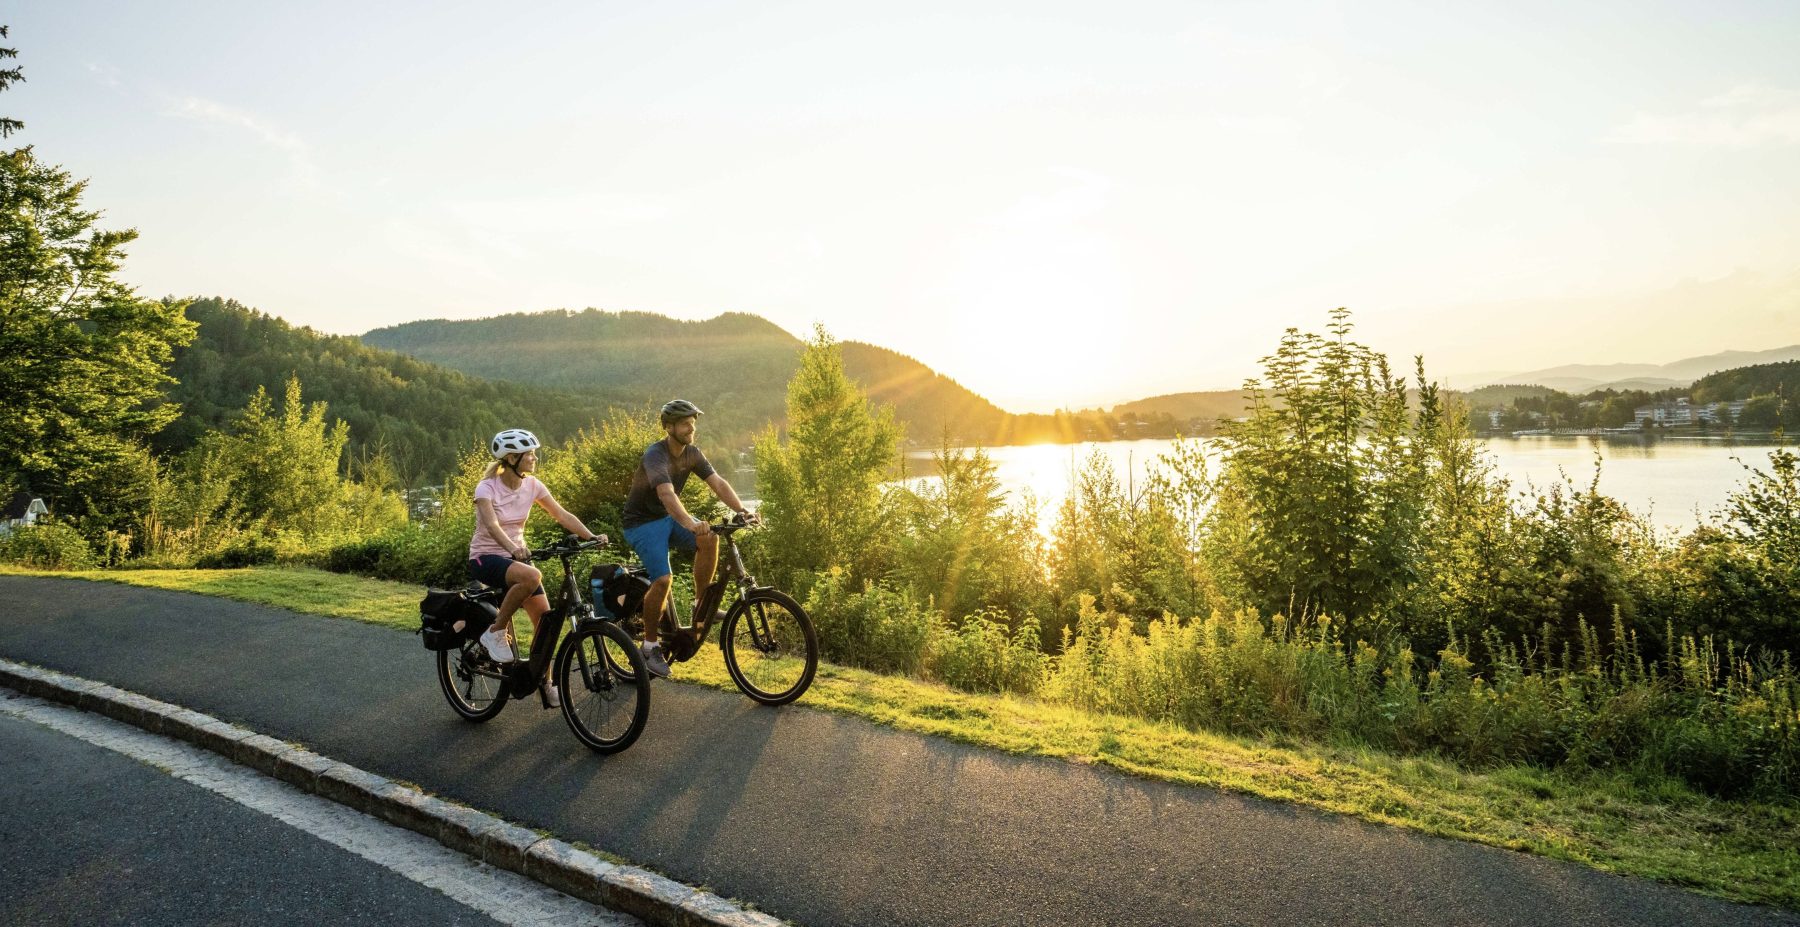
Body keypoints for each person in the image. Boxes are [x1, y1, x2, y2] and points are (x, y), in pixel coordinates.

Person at [468, 428, 604, 707]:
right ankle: (495, 632)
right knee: (532, 575)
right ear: (512, 459)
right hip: (486, 557)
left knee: (545, 625)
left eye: (533, 452)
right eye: (528, 453)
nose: (534, 458)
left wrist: (589, 536)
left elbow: (561, 514)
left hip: (517, 560)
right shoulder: (487, 487)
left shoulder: (533, 485)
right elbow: (492, 526)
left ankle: (544, 680)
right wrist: (513, 549)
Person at [622, 400, 756, 678]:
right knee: (662, 580)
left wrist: (742, 510)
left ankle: (700, 605)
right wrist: (691, 523)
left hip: (667, 519)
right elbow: (666, 494)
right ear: (669, 426)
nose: (691, 427)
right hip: (641, 524)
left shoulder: (692, 453)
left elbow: (717, 482)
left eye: (693, 422)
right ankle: (649, 646)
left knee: (711, 540)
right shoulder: (655, 455)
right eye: (685, 422)